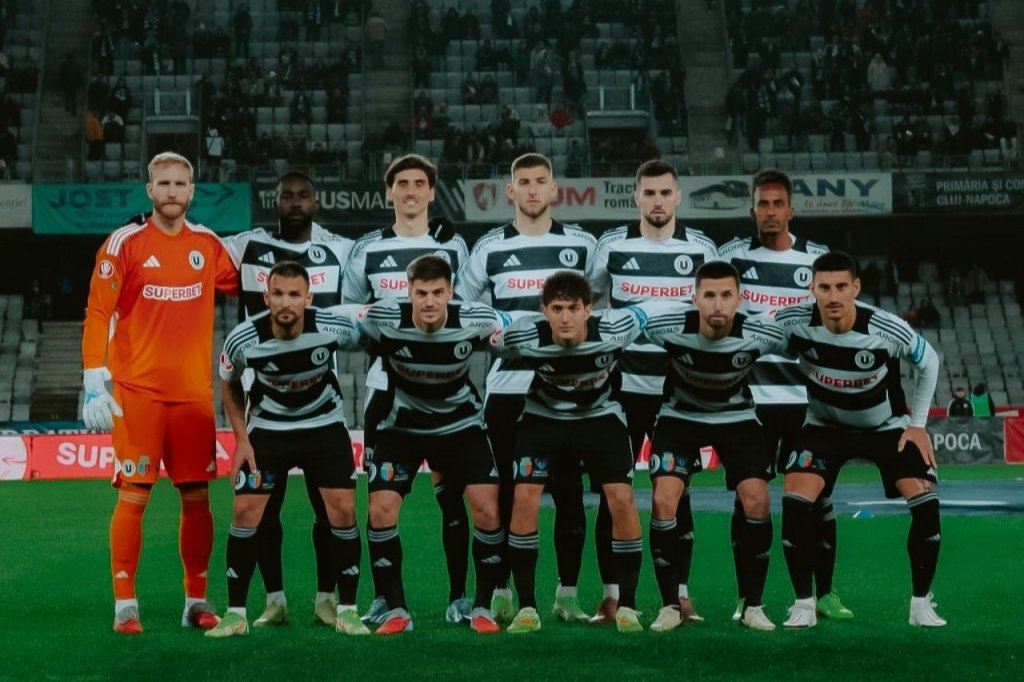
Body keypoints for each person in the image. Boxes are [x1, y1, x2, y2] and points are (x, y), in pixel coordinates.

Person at [81, 152, 239, 634]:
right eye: (163, 183)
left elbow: (251, 285)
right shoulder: (124, 243)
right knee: (134, 496)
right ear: (149, 190)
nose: (172, 191)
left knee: (197, 499)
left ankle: (196, 603)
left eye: (180, 184)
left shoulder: (207, 245)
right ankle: (125, 606)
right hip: (137, 394)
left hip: (192, 398)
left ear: (192, 191)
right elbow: (98, 311)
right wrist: (94, 380)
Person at [457, 153, 599, 624]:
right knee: (505, 493)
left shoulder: (582, 245)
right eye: (524, 182)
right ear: (511, 191)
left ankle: (567, 594)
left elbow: (597, 306)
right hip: (507, 388)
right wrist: (493, 330)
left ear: (554, 189)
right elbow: (464, 309)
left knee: (569, 493)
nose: (533, 189)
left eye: (541, 181)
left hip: (568, 388)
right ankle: (502, 590)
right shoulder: (489, 247)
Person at [775, 251, 945, 627]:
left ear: (856, 287)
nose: (833, 296)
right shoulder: (793, 322)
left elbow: (929, 360)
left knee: (926, 502)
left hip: (886, 428)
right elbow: (758, 342)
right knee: (795, 501)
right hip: (824, 426)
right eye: (824, 288)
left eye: (841, 287)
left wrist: (917, 425)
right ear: (812, 289)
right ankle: (804, 604)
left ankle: (921, 604)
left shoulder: (886, 328)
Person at [206, 261, 367, 637]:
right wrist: (241, 440)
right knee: (246, 511)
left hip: (323, 426)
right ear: (266, 297)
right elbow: (228, 383)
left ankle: (343, 608)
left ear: (308, 298)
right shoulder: (243, 338)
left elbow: (374, 339)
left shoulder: (333, 327)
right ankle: (240, 613)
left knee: (342, 510)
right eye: (277, 293)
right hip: (269, 429)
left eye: (295, 294)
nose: (285, 302)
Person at [588, 159, 718, 624]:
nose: (658, 201)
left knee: (676, 493)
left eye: (666, 193)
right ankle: (612, 596)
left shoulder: (701, 248)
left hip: (677, 390)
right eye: (650, 193)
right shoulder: (611, 246)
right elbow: (589, 301)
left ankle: (680, 594)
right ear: (636, 197)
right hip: (620, 389)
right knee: (614, 492)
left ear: (678, 196)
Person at [222, 171, 354, 629]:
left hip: (321, 411)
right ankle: (272, 601)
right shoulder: (247, 247)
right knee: (260, 512)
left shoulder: (340, 250)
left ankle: (328, 599)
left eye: (303, 195)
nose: (295, 202)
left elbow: (373, 303)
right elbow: (199, 249)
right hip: (266, 410)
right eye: (286, 196)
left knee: (331, 511)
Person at [342, 154, 470, 625]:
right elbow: (350, 315)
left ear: (432, 192)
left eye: (419, 183)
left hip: (446, 393)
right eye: (402, 183)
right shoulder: (368, 248)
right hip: (386, 391)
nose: (411, 190)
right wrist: (386, 341)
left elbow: (469, 309)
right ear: (389, 191)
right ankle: (387, 598)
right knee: (381, 499)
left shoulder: (454, 247)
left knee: (451, 497)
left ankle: (459, 597)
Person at [719, 169, 847, 622]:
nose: (770, 212)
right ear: (752, 209)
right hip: (749, 400)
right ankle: (746, 596)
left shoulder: (816, 258)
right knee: (747, 499)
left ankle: (823, 593)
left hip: (806, 401)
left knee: (817, 497)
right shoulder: (731, 257)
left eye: (777, 204)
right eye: (762, 204)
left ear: (791, 210)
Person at [357, 255, 507, 635]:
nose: (429, 301)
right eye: (421, 293)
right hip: (401, 427)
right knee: (380, 509)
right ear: (408, 291)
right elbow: (343, 322)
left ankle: (481, 607)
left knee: (488, 509)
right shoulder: (383, 317)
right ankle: (396, 610)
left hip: (460, 425)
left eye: (437, 293)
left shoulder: (477, 319)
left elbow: (512, 332)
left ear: (450, 292)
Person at [493, 272, 646, 634]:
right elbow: (489, 339)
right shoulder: (522, 336)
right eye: (557, 308)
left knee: (622, 499)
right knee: (523, 497)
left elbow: (656, 313)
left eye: (573, 308)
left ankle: (627, 605)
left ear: (589, 310)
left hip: (601, 418)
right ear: (543, 310)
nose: (565, 317)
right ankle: (527, 607)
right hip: (543, 418)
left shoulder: (616, 329)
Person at [642, 261, 787, 632]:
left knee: (757, 500)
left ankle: (752, 605)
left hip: (737, 418)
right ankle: (670, 606)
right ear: (695, 299)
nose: (717, 304)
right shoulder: (666, 327)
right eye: (709, 295)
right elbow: (622, 330)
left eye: (726, 295)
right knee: (663, 500)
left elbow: (804, 340)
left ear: (740, 299)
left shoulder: (760, 333)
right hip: (679, 417)